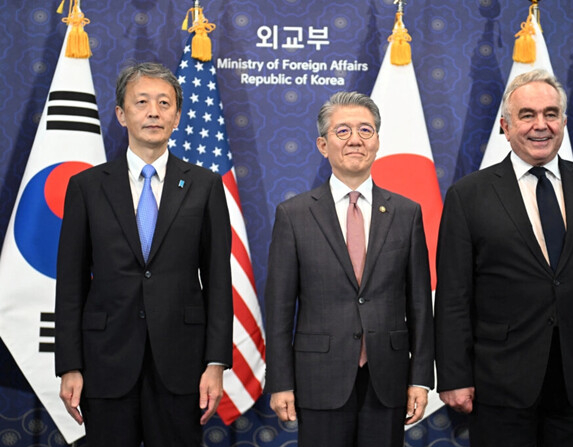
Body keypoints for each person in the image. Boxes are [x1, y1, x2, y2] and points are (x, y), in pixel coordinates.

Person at [434, 69, 573, 446]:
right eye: (527, 115)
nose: (541, 125)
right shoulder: (468, 196)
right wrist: (453, 376)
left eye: (550, 114)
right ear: (505, 125)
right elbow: (453, 298)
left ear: (563, 122)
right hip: (497, 386)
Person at [54, 62, 233, 446]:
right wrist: (69, 365)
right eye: (141, 102)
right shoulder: (86, 187)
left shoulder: (204, 185)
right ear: (121, 114)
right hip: (105, 361)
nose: (154, 111)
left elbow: (218, 282)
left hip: (182, 364)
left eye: (164, 103)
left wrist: (215, 363)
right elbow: (70, 285)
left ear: (178, 116)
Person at [265, 91, 434, 447]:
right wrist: (280, 380)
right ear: (323, 145)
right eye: (343, 131)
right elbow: (279, 310)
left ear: (377, 141)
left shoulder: (407, 213)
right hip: (319, 378)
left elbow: (419, 304)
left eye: (365, 130)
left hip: (386, 380)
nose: (355, 139)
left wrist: (420, 378)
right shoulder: (294, 215)